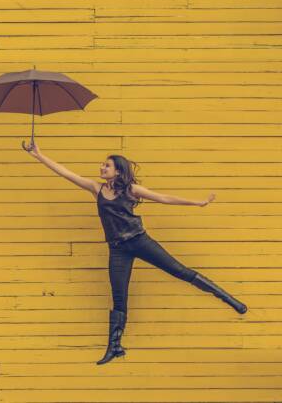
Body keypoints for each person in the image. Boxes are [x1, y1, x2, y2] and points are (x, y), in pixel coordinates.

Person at [22, 140, 247, 365]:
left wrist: (197, 203)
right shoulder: (96, 188)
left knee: (180, 271)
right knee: (119, 297)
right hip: (118, 249)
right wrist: (39, 154)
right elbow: (65, 173)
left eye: (106, 165)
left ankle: (228, 298)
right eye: (102, 165)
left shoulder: (131, 190)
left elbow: (163, 198)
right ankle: (115, 347)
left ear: (118, 171)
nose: (102, 168)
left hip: (140, 241)